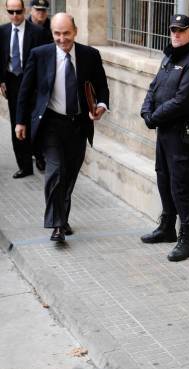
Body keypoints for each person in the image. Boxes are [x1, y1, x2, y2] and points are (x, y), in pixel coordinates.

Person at [15, 12, 109, 242]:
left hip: (78, 125)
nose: (61, 38)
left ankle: (62, 217)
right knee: (55, 172)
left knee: (69, 176)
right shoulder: (40, 55)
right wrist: (20, 121)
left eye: (66, 33)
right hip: (51, 124)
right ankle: (57, 225)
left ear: (75, 31)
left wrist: (101, 106)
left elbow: (102, 87)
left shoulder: (90, 55)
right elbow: (25, 90)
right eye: (57, 33)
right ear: (52, 33)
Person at [140, 14, 189, 262]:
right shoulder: (169, 58)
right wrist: (146, 110)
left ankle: (186, 239)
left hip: (181, 134)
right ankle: (167, 226)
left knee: (180, 184)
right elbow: (154, 87)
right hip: (163, 131)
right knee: (163, 176)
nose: (176, 34)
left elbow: (183, 102)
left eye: (182, 30)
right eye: (173, 30)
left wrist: (154, 116)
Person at [0, 0, 48, 178]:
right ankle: (24, 165)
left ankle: (40, 157)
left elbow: (45, 60)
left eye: (18, 12)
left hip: (34, 84)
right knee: (17, 122)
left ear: (24, 10)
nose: (15, 16)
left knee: (36, 121)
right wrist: (1, 81)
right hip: (13, 82)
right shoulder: (2, 31)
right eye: (10, 12)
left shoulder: (38, 32)